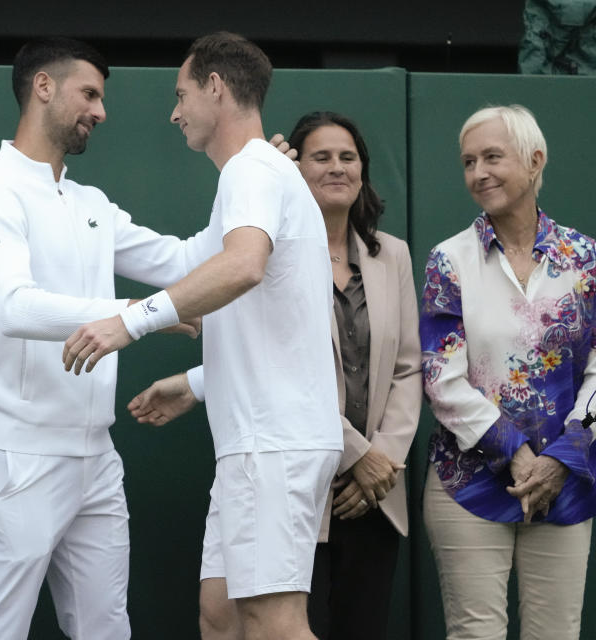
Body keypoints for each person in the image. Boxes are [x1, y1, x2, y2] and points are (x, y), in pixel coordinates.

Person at [62, 32, 342, 640]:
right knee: (220, 616)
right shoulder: (254, 175)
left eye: (181, 93)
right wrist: (196, 384)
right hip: (255, 442)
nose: (175, 110)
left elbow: (241, 266)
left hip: (272, 444)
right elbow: (194, 262)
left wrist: (129, 323)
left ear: (216, 88)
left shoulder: (252, 169)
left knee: (275, 624)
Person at [128, 112, 422, 639]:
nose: (337, 168)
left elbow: (405, 367)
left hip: (365, 482)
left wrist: (382, 460)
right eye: (321, 157)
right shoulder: (270, 233)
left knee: (290, 625)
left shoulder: (390, 255)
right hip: (304, 454)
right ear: (294, 172)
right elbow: (267, 342)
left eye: (348, 157)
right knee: (228, 617)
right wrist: (198, 381)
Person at [0, 37, 201, 640]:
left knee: (105, 629)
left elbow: (185, 258)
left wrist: (262, 175)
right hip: (15, 453)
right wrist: (141, 313)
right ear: (44, 86)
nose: (101, 110)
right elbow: (15, 307)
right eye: (89, 93)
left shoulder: (89, 202)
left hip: (95, 455)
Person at [420, 104, 596, 640]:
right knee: (475, 634)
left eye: (492, 157)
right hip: (467, 481)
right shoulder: (448, 261)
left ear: (535, 159)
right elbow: (440, 376)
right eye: (469, 161)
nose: (478, 173)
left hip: (567, 480)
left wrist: (562, 459)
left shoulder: (586, 260)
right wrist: (517, 453)